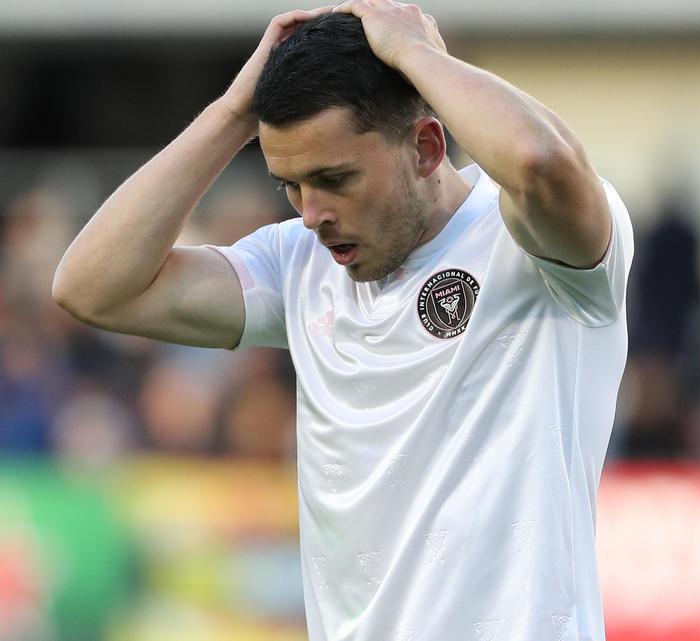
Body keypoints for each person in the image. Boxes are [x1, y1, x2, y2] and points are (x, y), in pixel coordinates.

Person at [52, 3, 633, 640]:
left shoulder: (528, 244)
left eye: (334, 178)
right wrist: (231, 114)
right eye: (291, 186)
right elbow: (91, 287)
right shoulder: (297, 264)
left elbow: (538, 159)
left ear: (426, 147)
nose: (312, 214)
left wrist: (418, 55)